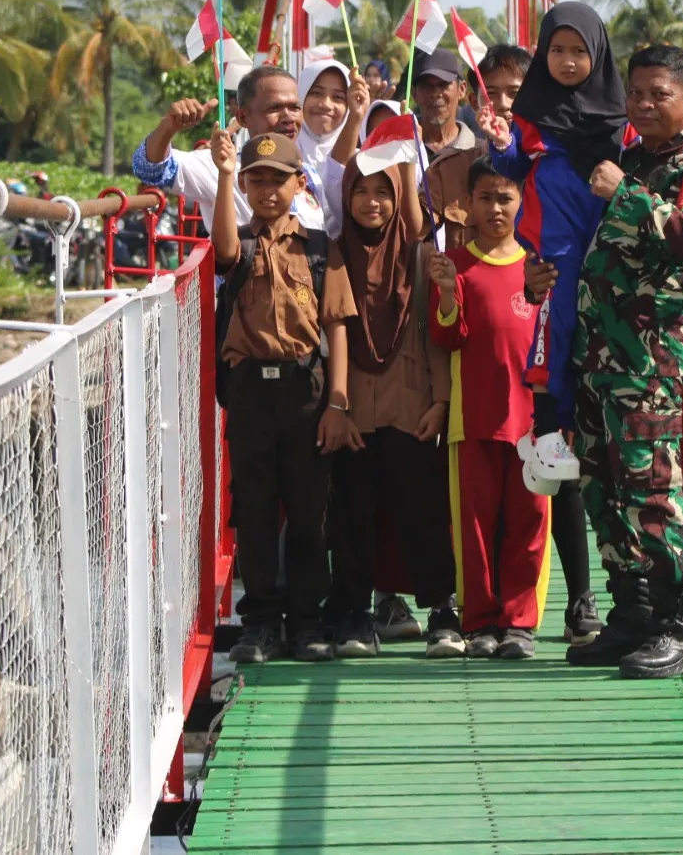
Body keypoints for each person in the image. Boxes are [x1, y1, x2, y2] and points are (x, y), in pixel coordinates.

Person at [562, 45, 683, 678]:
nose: (645, 105)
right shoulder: (633, 159)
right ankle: (631, 613)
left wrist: (624, 194)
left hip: (648, 361)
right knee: (602, 486)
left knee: (651, 490)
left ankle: (678, 625)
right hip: (600, 356)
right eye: (636, 94)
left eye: (660, 94)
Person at [211, 129, 360, 664]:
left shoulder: (319, 248)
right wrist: (225, 175)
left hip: (305, 390)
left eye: (278, 180)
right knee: (253, 509)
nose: (267, 191)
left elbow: (336, 325)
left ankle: (304, 620)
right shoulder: (240, 243)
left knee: (308, 509)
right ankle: (260, 623)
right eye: (256, 181)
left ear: (300, 183)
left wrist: (338, 402)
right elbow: (222, 252)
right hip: (251, 392)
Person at [475, 44, 599, 644]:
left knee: (586, 461)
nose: (502, 102)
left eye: (513, 91)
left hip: (592, 310)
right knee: (545, 459)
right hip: (527, 321)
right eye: (493, 91)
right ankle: (499, 610)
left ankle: (595, 598)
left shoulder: (611, 128)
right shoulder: (505, 147)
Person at [483, 3, 628, 492]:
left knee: (599, 330)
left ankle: (565, 432)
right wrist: (501, 144)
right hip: (556, 238)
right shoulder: (532, 114)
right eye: (557, 50)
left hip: (604, 237)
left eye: (579, 52)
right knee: (557, 318)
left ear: (598, 54)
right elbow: (513, 168)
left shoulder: (620, 117)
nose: (567, 61)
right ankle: (548, 429)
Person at [328, 153, 463, 660]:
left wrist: (441, 400)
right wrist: (337, 406)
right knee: (353, 512)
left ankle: (442, 611)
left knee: (423, 507)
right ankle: (354, 612)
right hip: (353, 405)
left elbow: (434, 334)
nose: (372, 202)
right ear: (346, 198)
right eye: (361, 191)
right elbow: (334, 331)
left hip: (411, 402)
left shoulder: (418, 255)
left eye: (383, 192)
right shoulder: (336, 254)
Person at [428, 159, 551, 660]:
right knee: (473, 528)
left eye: (505, 198)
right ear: (467, 205)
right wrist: (444, 291)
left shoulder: (539, 267)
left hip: (533, 423)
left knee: (529, 522)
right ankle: (478, 620)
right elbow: (446, 336)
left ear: (521, 201)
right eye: (485, 199)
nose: (496, 208)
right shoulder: (454, 265)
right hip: (472, 417)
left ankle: (519, 623)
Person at [132, 65, 328, 230]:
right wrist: (168, 128)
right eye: (274, 108)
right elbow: (149, 168)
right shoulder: (220, 165)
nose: (288, 118)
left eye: (294, 108)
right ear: (242, 117)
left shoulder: (309, 175)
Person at [408, 49, 483, 250]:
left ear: (461, 90)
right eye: (427, 86)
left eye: (443, 84)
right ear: (414, 93)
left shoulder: (481, 155)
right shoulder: (400, 153)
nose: (435, 93)